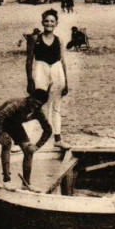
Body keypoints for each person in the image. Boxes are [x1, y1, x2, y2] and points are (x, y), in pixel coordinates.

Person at [0, 89, 54, 187]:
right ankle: (6, 179)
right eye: (35, 103)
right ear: (30, 97)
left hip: (14, 124)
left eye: (39, 105)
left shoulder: (38, 111)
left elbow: (48, 130)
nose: (36, 106)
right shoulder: (17, 104)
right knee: (7, 143)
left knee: (29, 150)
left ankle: (26, 183)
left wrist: (36, 146)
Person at [26, 9, 70, 149]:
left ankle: (57, 139)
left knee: (56, 107)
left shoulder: (59, 40)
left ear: (56, 23)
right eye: (46, 21)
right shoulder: (35, 39)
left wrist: (66, 82)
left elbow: (62, 61)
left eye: (52, 21)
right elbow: (28, 61)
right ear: (42, 22)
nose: (49, 23)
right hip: (41, 70)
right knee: (35, 106)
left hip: (57, 71)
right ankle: (26, 141)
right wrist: (30, 80)